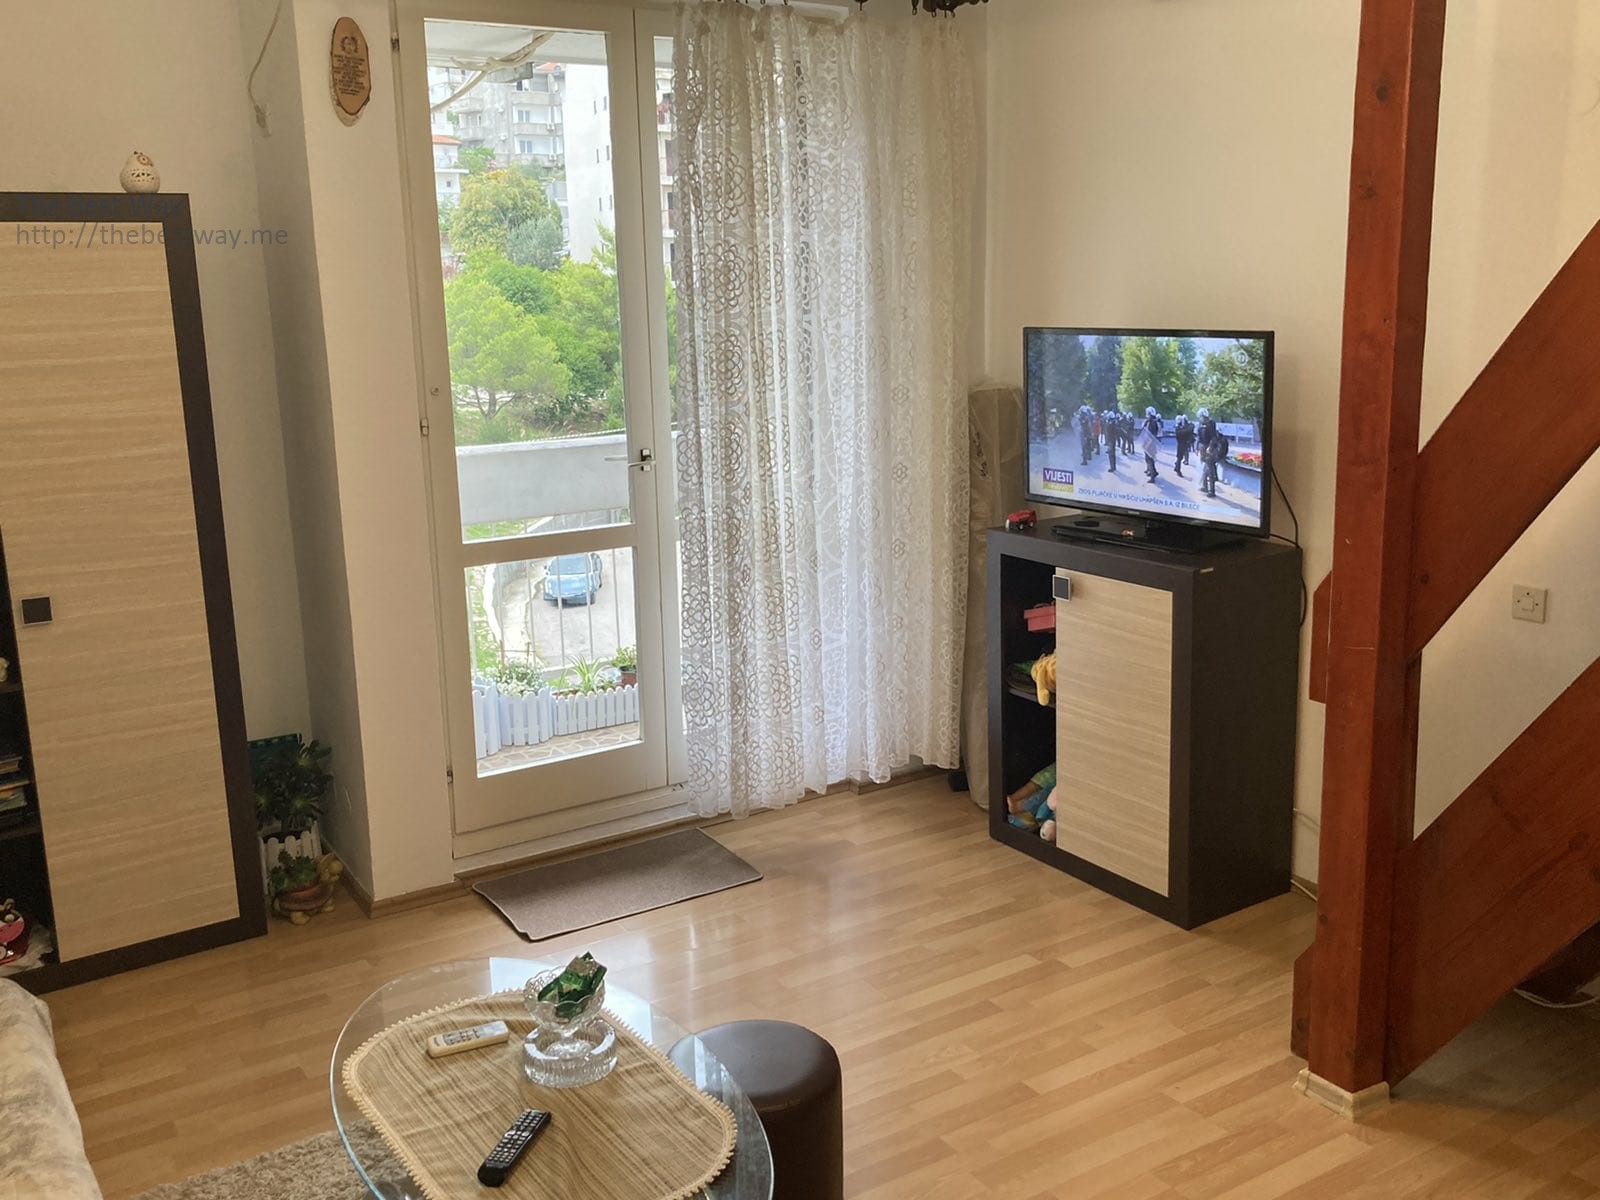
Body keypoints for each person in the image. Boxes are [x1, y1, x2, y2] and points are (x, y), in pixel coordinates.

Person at [1196, 407, 1221, 497]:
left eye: (1201, 416)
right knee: (1205, 468)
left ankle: (1212, 491)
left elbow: (1213, 437)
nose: (1200, 418)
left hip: (1210, 449)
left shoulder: (1211, 423)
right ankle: (1205, 486)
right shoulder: (1200, 425)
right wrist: (1197, 448)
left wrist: (1210, 447)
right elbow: (1199, 438)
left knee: (1210, 469)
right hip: (1203, 448)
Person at [1141, 406, 1163, 481]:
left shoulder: (1152, 422)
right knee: (1149, 459)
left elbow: (1150, 433)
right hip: (1149, 443)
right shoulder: (1151, 421)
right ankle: (1154, 472)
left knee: (1149, 459)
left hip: (1150, 443)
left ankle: (1152, 477)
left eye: (1147, 413)